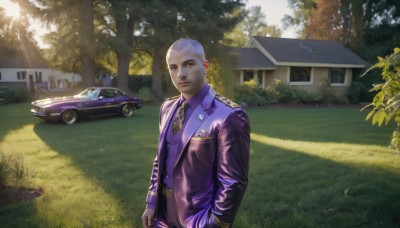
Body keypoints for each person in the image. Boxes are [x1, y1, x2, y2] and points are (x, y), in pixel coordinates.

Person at [142, 38, 250, 228]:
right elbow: (160, 159)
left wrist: (215, 223)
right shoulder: (167, 108)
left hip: (198, 218)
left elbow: (233, 182)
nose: (180, 74)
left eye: (188, 64)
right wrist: (151, 202)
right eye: (173, 67)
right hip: (162, 215)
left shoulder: (228, 115)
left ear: (205, 66)